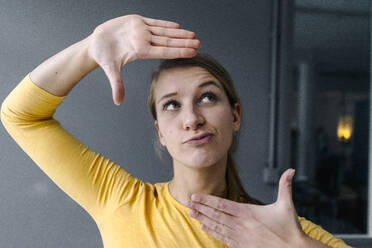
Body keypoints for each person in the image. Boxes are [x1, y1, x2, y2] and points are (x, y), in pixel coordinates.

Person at [0, 14, 350, 248]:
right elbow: (20, 115)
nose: (192, 118)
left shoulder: (282, 231)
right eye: (172, 104)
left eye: (208, 97)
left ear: (235, 115)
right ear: (160, 132)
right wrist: (89, 49)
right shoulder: (122, 201)